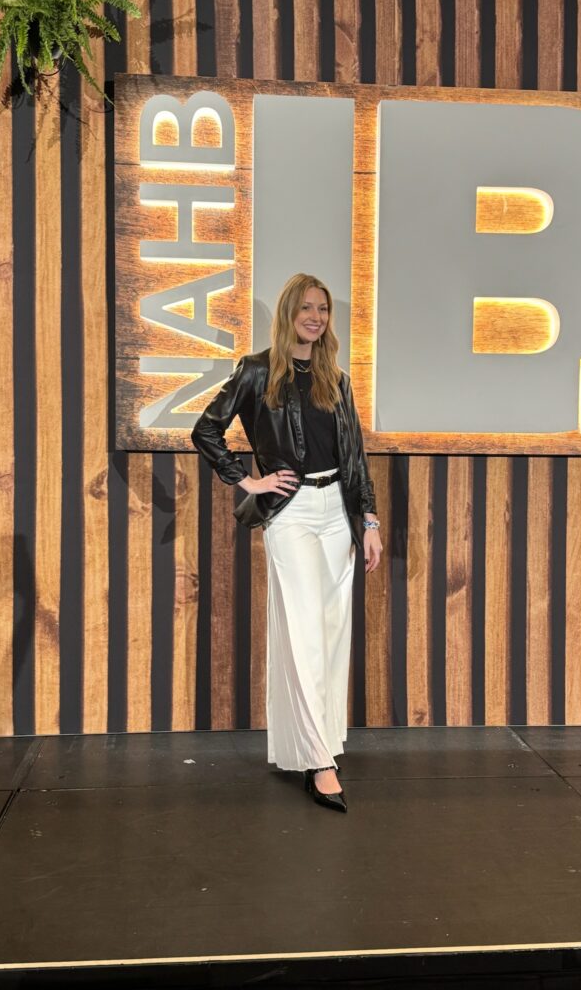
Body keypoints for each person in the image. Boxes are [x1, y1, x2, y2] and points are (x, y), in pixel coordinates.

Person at [191, 273, 382, 813]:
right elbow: (206, 430)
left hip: (337, 511)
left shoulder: (336, 380)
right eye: (306, 308)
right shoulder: (256, 370)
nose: (316, 317)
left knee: (332, 633)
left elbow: (354, 455)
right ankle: (320, 762)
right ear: (288, 314)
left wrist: (369, 520)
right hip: (291, 512)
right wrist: (247, 480)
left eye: (323, 309)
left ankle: (317, 743)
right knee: (304, 633)